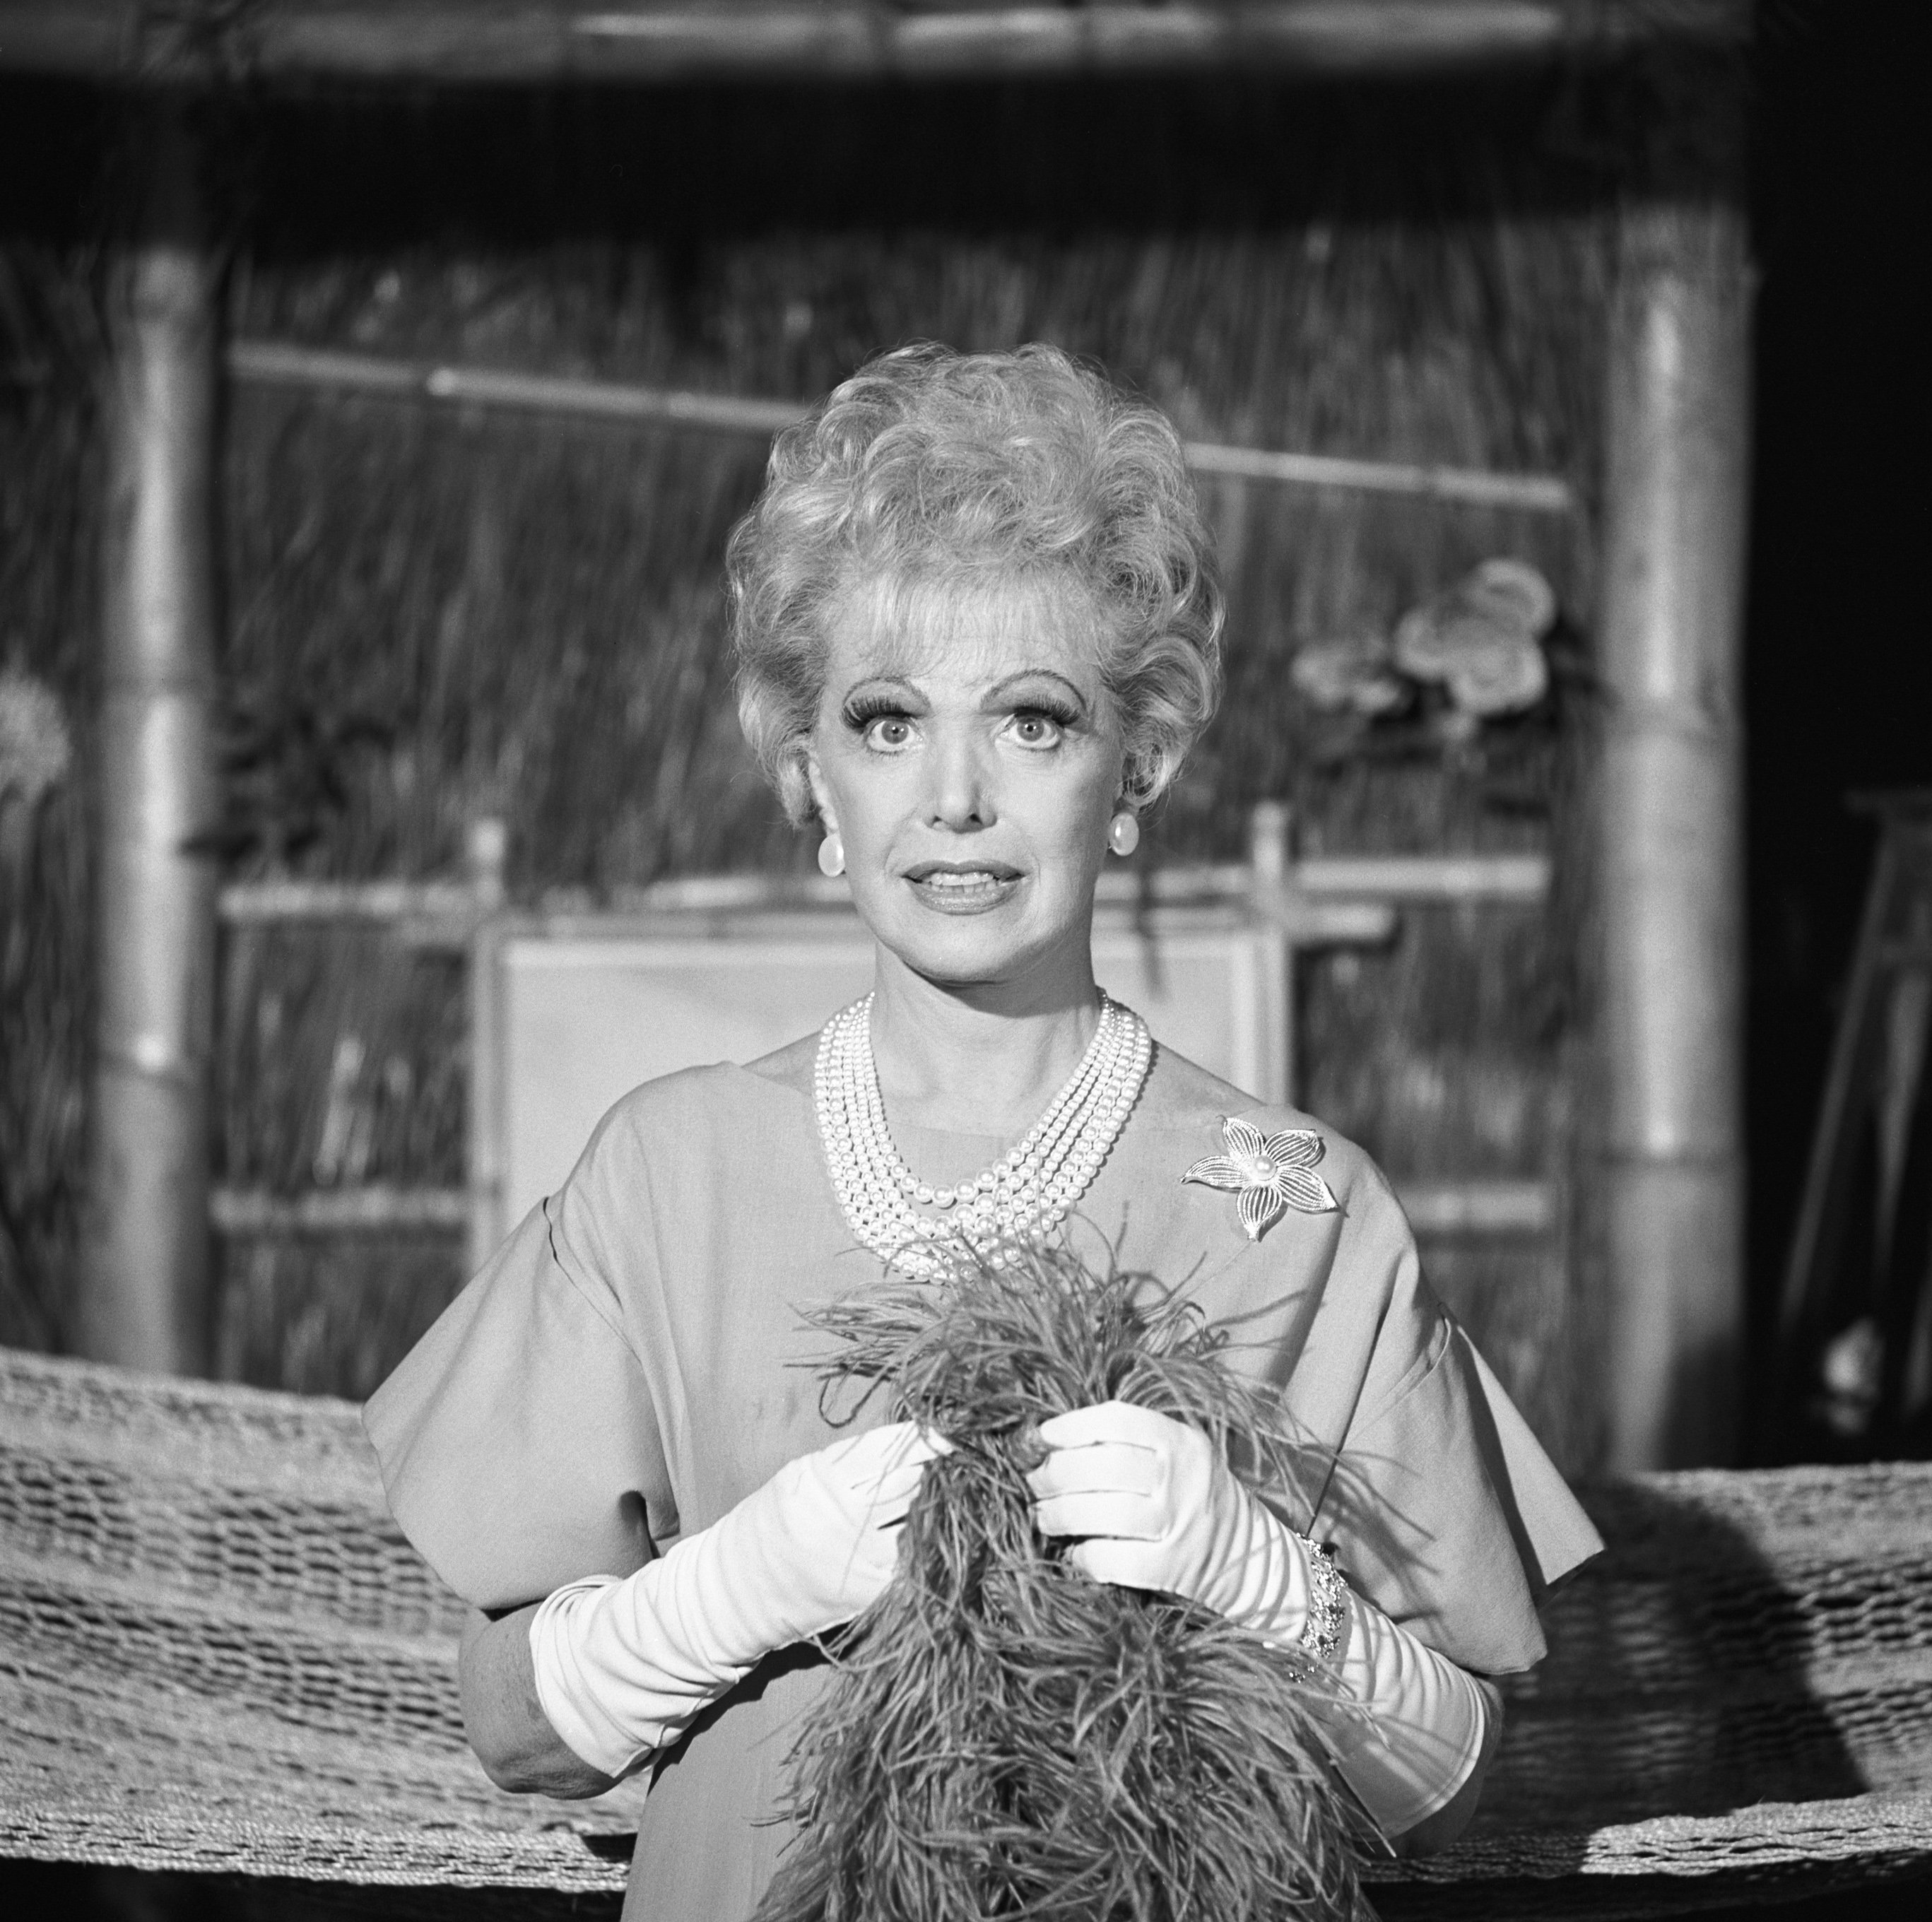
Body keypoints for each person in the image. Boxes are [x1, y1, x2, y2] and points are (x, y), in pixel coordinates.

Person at [364, 342, 1603, 1921]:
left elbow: (1448, 1772)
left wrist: (1260, 1582)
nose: (951, 795)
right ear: (810, 781)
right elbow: (511, 1725)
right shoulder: (662, 1174)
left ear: (1135, 767)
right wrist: (733, 1584)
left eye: (1030, 719)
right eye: (885, 722)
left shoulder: (1303, 1211)